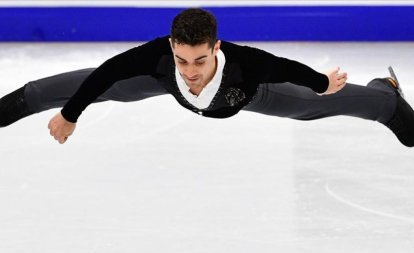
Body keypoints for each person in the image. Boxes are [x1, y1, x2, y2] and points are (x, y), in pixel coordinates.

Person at [0, 8, 413, 147]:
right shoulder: (161, 60)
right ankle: (13, 105)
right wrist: (71, 115)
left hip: (242, 95)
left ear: (215, 48)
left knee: (307, 107)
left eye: (199, 61)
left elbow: (288, 69)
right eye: (182, 59)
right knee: (98, 84)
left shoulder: (246, 64)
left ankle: (385, 98)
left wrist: (321, 82)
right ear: (172, 48)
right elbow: (104, 74)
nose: (192, 72)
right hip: (164, 86)